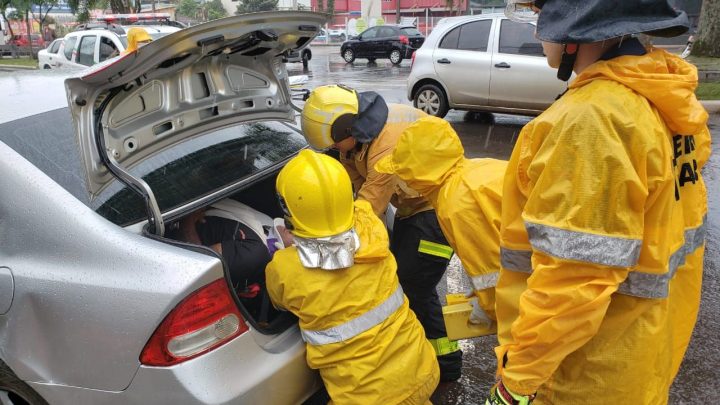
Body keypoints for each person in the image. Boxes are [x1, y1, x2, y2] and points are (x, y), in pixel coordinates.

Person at [485, 1, 711, 404]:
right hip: (643, 352)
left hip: (585, 374)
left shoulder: (593, 121)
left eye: (545, 17)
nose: (539, 32)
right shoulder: (662, 97)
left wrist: (514, 384)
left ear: (578, 28)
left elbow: (573, 282)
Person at [301, 85, 463, 381]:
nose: (335, 149)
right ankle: (425, 352)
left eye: (336, 143)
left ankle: (447, 363)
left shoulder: (385, 143)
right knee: (406, 281)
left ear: (347, 126)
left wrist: (327, 248)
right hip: (411, 208)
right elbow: (351, 188)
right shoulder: (356, 136)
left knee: (415, 287)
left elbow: (368, 206)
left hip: (437, 209)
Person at [265, 149, 439, 404]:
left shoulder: (285, 267)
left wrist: (294, 243)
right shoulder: (372, 228)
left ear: (289, 209)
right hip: (422, 372)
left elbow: (278, 301)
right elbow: (355, 214)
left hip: (365, 398)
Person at [374, 116, 507, 328]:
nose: (400, 180)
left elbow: (497, 276)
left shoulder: (456, 204)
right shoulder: (477, 169)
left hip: (548, 302)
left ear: (418, 172)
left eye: (403, 172)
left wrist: (491, 306)